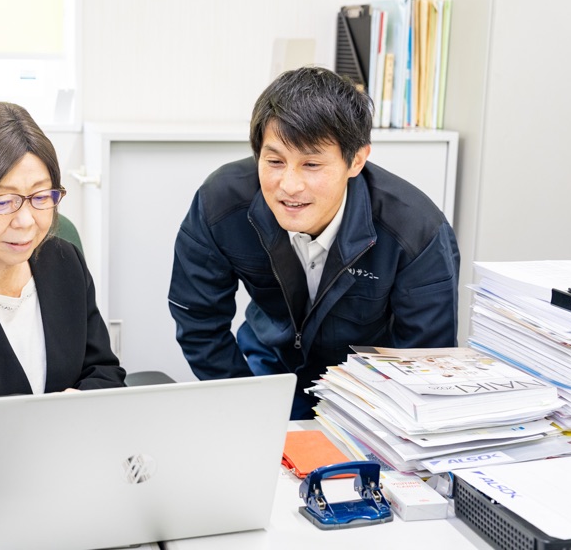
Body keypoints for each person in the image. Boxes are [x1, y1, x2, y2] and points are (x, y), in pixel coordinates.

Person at [168, 66, 460, 419]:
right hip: (268, 365)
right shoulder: (220, 203)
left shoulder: (416, 231)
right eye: (274, 161)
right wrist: (245, 408)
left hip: (368, 387)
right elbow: (199, 320)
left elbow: (423, 360)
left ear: (356, 160)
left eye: (311, 164)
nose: (289, 185)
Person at [0, 101, 126, 466]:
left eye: (41, 197)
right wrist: (57, 418)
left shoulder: (64, 262)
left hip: (72, 466)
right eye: (4, 201)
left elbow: (105, 374)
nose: (27, 221)